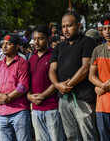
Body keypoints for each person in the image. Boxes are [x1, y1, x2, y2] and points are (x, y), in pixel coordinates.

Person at [49, 11, 98, 141]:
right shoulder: (59, 46)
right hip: (64, 99)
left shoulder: (88, 42)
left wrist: (67, 85)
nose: (66, 29)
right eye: (63, 26)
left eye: (69, 26)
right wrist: (58, 85)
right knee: (71, 136)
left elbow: (85, 68)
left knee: (88, 136)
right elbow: (52, 69)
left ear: (78, 25)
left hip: (83, 99)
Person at [0, 34, 31, 141]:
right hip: (2, 112)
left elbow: (23, 86)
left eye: (8, 44)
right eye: (3, 44)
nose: (4, 46)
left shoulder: (22, 62)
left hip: (20, 111)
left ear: (17, 46)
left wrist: (7, 98)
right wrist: (0, 95)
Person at [27, 25, 65, 141]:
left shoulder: (54, 55)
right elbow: (27, 80)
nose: (36, 42)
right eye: (34, 39)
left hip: (52, 107)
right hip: (36, 108)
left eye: (40, 38)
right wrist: (29, 96)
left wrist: (42, 96)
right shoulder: (31, 57)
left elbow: (57, 81)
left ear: (48, 39)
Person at [89, 13, 110, 141]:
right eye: (105, 29)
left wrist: (103, 87)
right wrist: (102, 86)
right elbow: (91, 76)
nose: (107, 32)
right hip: (102, 104)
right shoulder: (97, 50)